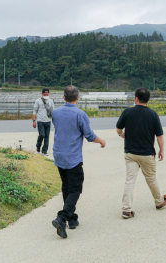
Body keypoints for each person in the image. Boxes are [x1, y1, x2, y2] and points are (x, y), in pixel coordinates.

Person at [51, 85, 106, 238]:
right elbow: (89, 136)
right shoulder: (80, 114)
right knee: (75, 189)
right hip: (73, 157)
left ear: (63, 97)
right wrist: (101, 141)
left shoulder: (55, 112)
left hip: (59, 155)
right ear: (78, 98)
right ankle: (62, 218)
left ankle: (72, 218)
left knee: (67, 187)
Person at [115, 87, 166, 219]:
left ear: (136, 98)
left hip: (130, 153)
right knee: (151, 179)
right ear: (147, 100)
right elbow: (159, 135)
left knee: (130, 181)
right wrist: (161, 150)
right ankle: (159, 202)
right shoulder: (153, 114)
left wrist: (121, 134)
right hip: (147, 154)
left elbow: (118, 128)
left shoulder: (127, 112)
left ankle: (126, 209)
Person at [33, 88, 54, 156]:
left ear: (49, 94)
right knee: (42, 135)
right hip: (40, 120)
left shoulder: (51, 101)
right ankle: (38, 147)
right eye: (45, 94)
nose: (46, 95)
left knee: (47, 136)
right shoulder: (38, 101)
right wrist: (34, 120)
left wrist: (55, 122)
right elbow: (35, 111)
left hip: (48, 121)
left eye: (47, 94)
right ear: (42, 94)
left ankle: (44, 151)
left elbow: (53, 112)